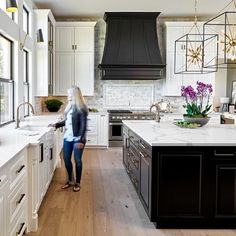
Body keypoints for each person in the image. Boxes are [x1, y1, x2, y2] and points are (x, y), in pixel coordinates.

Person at [50, 86, 88, 192]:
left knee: (77, 160)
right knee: (66, 159)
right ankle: (70, 180)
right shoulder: (69, 107)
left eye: (69, 94)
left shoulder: (82, 108)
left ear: (74, 95)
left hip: (78, 138)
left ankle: (78, 182)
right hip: (68, 137)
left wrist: (80, 140)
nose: (68, 96)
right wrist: (56, 125)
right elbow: (67, 122)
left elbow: (83, 126)